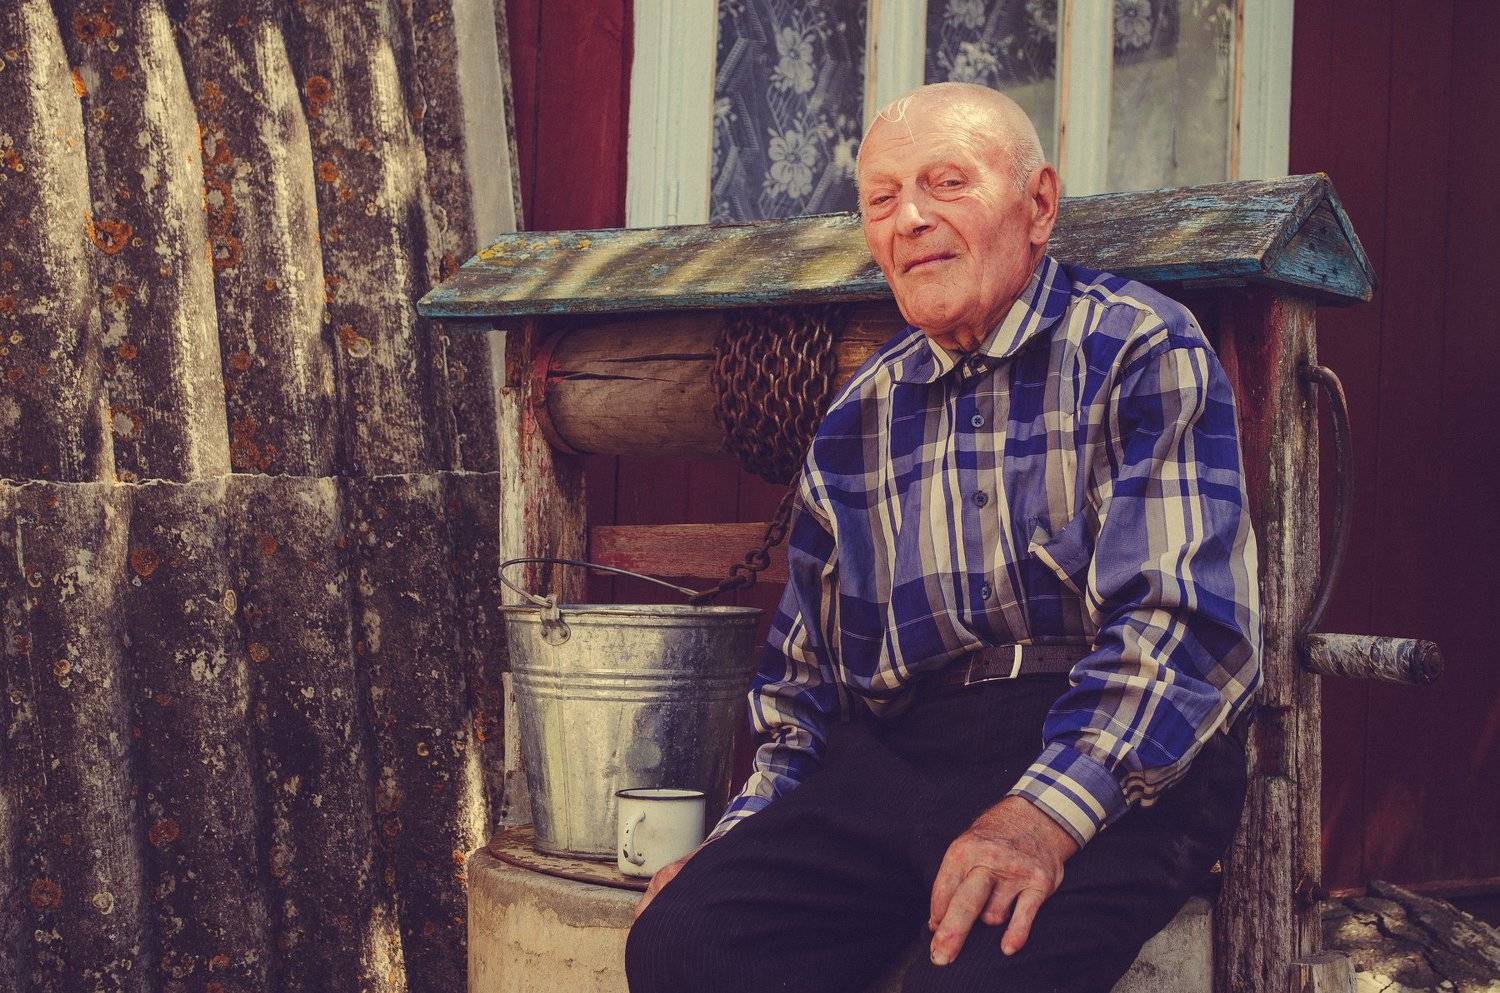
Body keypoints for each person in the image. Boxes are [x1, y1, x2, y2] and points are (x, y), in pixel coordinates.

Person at [625, 81, 1261, 993]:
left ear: (1038, 204)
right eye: (882, 199)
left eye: (947, 182)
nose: (910, 218)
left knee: (969, 982)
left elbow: (1182, 627)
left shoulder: (1139, 348)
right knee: (685, 944)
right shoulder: (859, 415)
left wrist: (1041, 815)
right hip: (908, 754)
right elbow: (803, 687)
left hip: (1121, 749)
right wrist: (742, 842)